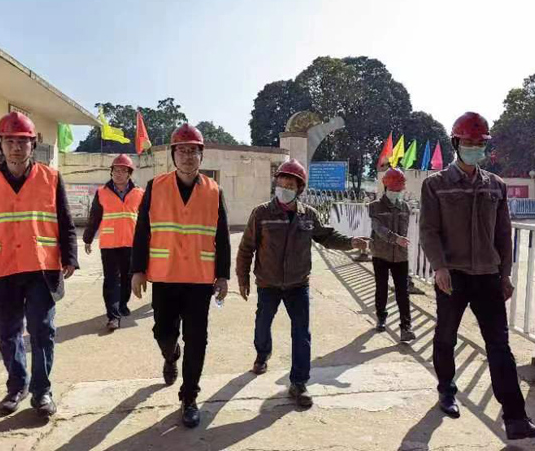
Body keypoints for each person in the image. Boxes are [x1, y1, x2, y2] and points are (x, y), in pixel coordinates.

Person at [419, 111, 535, 440]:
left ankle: (516, 419)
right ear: (455, 143)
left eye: (480, 143)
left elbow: (503, 234)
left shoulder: (496, 185)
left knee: (499, 346)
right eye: (469, 142)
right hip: (453, 277)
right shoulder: (435, 185)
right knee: (446, 337)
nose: (475, 148)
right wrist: (439, 267)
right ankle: (446, 390)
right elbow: (429, 230)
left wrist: (505, 275)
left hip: (488, 277)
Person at [0, 112, 78, 417]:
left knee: (42, 331)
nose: (16, 148)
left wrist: (70, 256)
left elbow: (65, 220)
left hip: (40, 268)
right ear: (1, 144)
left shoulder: (51, 178)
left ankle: (42, 391)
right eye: (10, 141)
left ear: (33, 144)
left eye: (23, 141)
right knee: (8, 334)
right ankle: (17, 386)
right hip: (0, 268)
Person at [236, 159, 370, 408]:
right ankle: (262, 354)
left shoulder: (308, 215)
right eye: (282, 183)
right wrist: (242, 278)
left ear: (299, 189)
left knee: (301, 333)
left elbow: (326, 236)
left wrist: (350, 242)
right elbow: (246, 248)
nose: (285, 188)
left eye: (291, 185)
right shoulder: (261, 213)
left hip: (298, 284)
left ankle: (298, 383)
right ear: (276, 183)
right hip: (268, 283)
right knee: (262, 324)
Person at [130, 123, 230, 429]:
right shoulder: (155, 186)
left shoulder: (214, 191)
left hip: (199, 280)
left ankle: (189, 397)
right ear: (173, 155)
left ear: (201, 156)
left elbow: (222, 237)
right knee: (163, 332)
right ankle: (171, 354)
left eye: (193, 151)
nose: (188, 156)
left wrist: (223, 276)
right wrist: (137, 270)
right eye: (182, 150)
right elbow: (142, 231)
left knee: (197, 339)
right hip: (165, 276)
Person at [83, 154, 144, 330]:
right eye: (116, 170)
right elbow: (94, 217)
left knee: (127, 278)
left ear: (129, 173)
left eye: (123, 170)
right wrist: (87, 238)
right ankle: (113, 316)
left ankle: (122, 305)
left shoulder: (139, 193)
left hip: (131, 243)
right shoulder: (102, 192)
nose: (118, 173)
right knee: (111, 280)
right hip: (109, 244)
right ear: (111, 172)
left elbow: (145, 220)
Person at [369, 167, 415, 341]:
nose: (397, 192)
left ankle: (406, 327)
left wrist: (400, 242)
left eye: (399, 188)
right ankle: (381, 317)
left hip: (400, 255)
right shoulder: (375, 206)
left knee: (403, 291)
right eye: (394, 188)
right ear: (386, 186)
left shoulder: (405, 207)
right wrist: (395, 239)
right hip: (380, 253)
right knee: (381, 287)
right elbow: (378, 228)